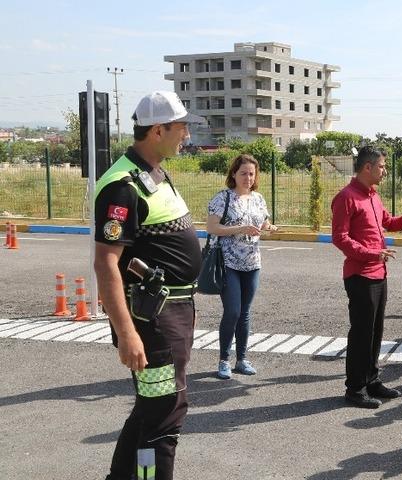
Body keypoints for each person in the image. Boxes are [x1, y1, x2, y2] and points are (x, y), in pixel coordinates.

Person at [93, 91, 204, 480]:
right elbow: (105, 262)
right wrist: (127, 335)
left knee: (150, 408)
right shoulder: (122, 185)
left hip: (170, 315)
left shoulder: (152, 171)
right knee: (163, 417)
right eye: (181, 127)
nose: (186, 135)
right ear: (158, 130)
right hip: (151, 322)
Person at [331, 146, 402, 409]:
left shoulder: (373, 196)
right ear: (367, 167)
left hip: (378, 273)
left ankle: (371, 380)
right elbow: (340, 239)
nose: (385, 171)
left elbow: (390, 222)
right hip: (360, 275)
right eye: (382, 166)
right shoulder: (346, 197)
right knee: (361, 333)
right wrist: (373, 254)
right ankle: (355, 388)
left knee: (375, 332)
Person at [206, 154, 277, 380]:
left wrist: (269, 227)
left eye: (251, 174)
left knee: (245, 313)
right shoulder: (223, 198)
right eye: (243, 173)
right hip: (228, 262)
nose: (248, 178)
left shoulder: (258, 199)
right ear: (234, 174)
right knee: (233, 311)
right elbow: (212, 227)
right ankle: (224, 360)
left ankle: (242, 359)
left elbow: (262, 222)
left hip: (252, 262)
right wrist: (239, 229)